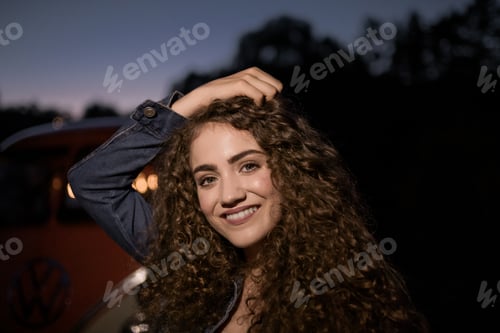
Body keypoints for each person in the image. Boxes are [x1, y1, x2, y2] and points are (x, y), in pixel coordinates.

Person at [68, 67, 429, 332]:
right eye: (207, 178)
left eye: (248, 166)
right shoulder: (187, 264)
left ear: (290, 169)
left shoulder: (347, 299)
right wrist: (194, 100)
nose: (229, 195)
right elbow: (93, 181)